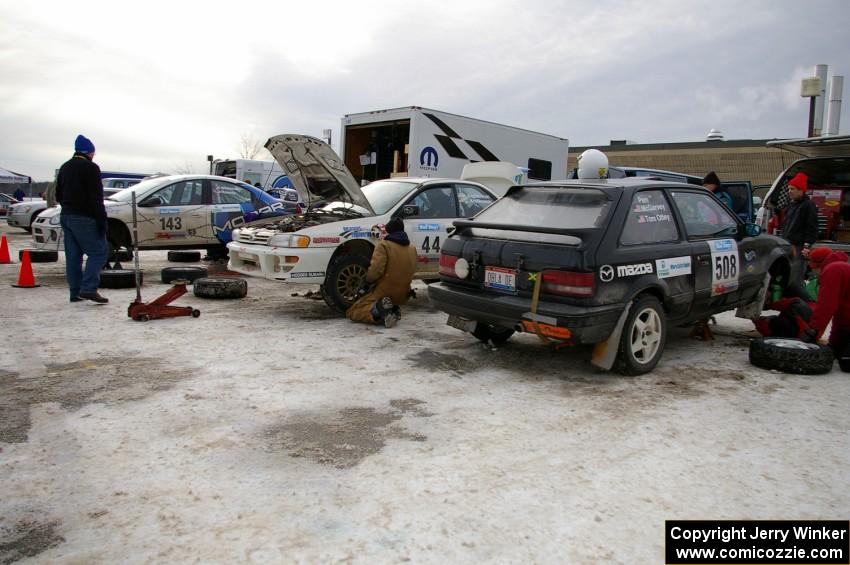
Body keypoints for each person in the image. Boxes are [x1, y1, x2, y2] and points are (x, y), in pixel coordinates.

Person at [55, 134, 109, 304]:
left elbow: (58, 194)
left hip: (66, 215)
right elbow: (96, 197)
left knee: (73, 255)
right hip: (84, 217)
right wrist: (102, 219)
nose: (94, 155)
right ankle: (89, 288)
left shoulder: (65, 167)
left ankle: (74, 292)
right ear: (89, 152)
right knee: (99, 252)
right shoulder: (90, 168)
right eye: (93, 152)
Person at [346, 217, 417, 327]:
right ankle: (392, 309)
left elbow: (375, 271)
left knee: (354, 311)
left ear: (389, 230)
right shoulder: (412, 248)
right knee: (385, 299)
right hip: (404, 294)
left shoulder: (384, 245)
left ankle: (380, 311)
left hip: (385, 290)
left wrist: (367, 281)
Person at [802, 247, 850, 371]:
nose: (814, 274)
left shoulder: (832, 270)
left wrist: (812, 329)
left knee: (846, 364)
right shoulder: (841, 268)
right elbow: (840, 315)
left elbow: (827, 306)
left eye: (812, 269)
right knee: (837, 355)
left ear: (818, 265)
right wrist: (833, 344)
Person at [780, 172, 819, 285]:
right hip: (788, 245)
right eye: (789, 189)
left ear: (801, 190)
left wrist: (806, 246)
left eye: (792, 189)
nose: (789, 191)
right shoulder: (792, 206)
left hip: (798, 247)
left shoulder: (808, 205)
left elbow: (812, 227)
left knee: (795, 278)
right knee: (787, 275)